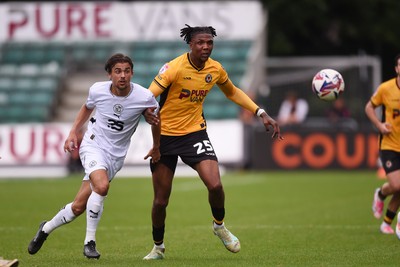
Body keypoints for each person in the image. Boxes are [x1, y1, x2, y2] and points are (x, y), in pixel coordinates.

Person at [142, 24, 283, 260]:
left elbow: (232, 92)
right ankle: (158, 247)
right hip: (165, 136)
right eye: (200, 42)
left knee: (215, 185)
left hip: (194, 133)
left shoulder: (215, 69)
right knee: (160, 200)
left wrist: (260, 112)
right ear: (190, 44)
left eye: (209, 43)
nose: (206, 47)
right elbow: (149, 95)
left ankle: (219, 225)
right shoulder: (173, 68)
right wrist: (146, 110)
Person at [27, 53, 160, 259]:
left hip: (115, 157)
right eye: (117, 71)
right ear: (109, 75)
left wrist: (156, 146)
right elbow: (86, 108)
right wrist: (73, 132)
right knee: (102, 186)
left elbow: (155, 121)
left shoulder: (144, 97)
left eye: (126, 71)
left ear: (132, 73)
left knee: (78, 206)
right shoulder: (97, 90)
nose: (122, 75)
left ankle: (45, 229)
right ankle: (90, 242)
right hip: (92, 145)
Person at [366, 53, 400, 237]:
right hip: (390, 145)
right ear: (396, 68)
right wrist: (379, 125)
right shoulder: (386, 89)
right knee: (397, 185)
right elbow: (368, 107)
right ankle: (380, 194)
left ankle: (386, 223)